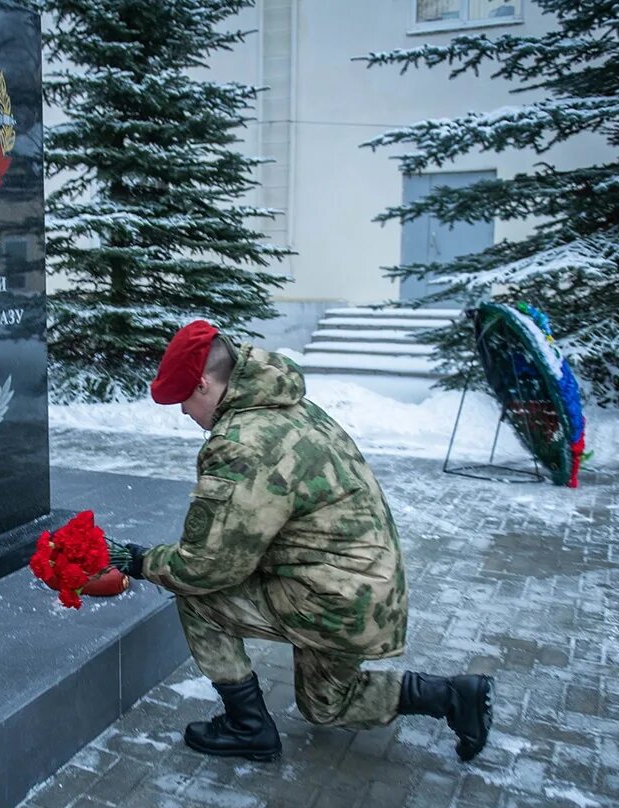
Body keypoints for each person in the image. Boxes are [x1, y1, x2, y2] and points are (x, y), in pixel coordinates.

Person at [118, 319, 493, 762]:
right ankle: (453, 696)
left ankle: (248, 725)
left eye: (183, 399)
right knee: (327, 706)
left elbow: (208, 566)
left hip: (330, 598)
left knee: (198, 599)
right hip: (368, 587)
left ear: (202, 386)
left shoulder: (242, 443)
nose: (183, 412)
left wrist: (138, 562)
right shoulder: (286, 404)